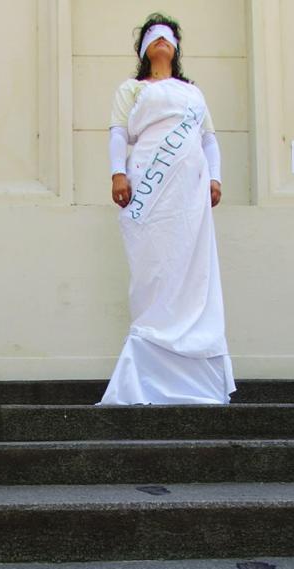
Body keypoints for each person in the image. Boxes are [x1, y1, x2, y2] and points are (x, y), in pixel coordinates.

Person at [99, 14, 236, 405]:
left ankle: (194, 341)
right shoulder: (131, 89)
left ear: (175, 48)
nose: (162, 41)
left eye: (168, 37)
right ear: (144, 48)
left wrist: (215, 177)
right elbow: (118, 134)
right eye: (154, 37)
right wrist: (117, 173)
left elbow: (209, 139)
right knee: (154, 263)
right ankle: (155, 339)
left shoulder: (194, 94)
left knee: (192, 266)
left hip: (189, 189)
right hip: (148, 183)